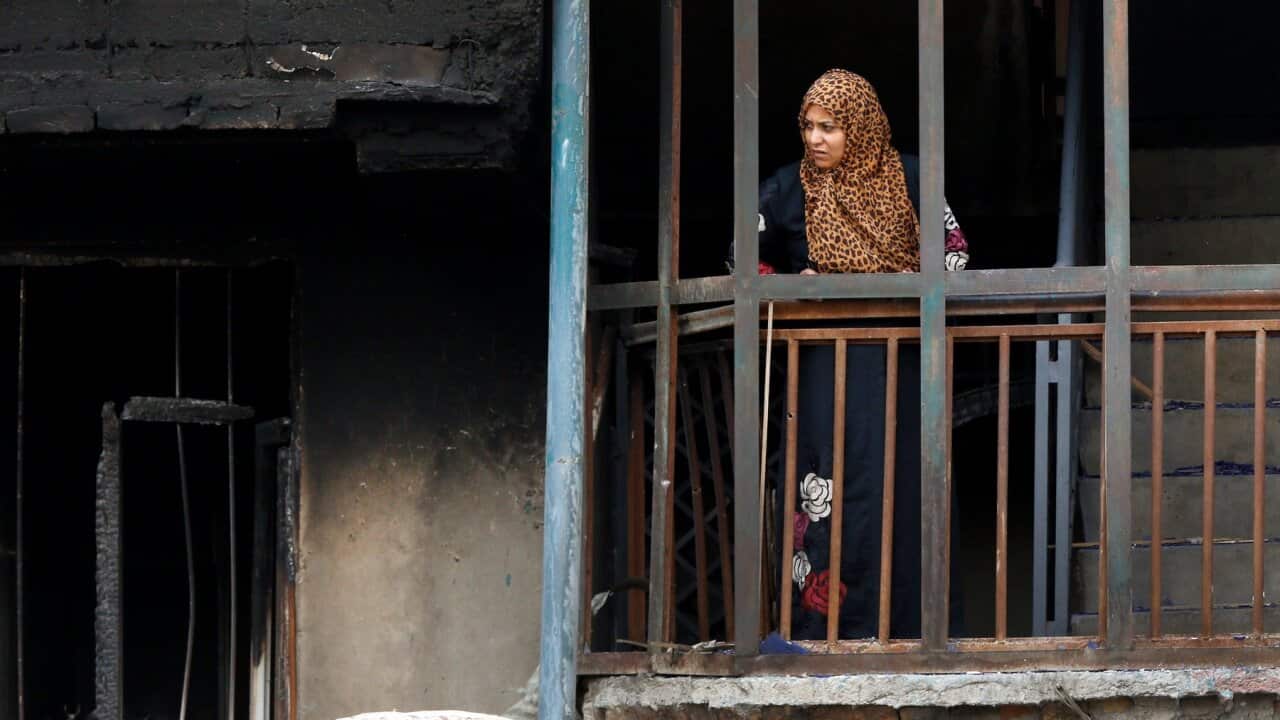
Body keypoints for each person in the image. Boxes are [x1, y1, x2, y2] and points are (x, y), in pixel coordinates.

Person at [757, 69, 968, 641]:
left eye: (830, 127)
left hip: (903, 363)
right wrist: (789, 283)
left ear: (862, 129)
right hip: (826, 366)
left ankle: (914, 632)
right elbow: (742, 259)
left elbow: (955, 255)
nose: (814, 139)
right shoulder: (787, 189)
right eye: (808, 126)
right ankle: (831, 632)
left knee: (906, 485)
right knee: (830, 480)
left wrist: (909, 282)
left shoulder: (912, 177)